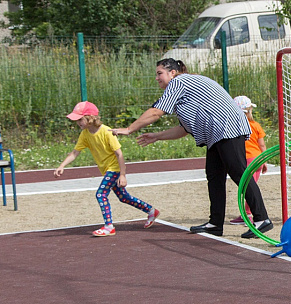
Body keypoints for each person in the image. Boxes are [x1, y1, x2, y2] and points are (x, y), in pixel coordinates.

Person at [112, 59, 272, 239]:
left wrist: (129, 129)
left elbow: (156, 112)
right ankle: (215, 224)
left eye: (159, 73)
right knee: (214, 176)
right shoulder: (184, 94)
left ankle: (261, 219)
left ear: (172, 72)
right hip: (216, 133)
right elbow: (183, 129)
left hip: (227, 127)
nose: (156, 78)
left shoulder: (178, 82)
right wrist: (156, 136)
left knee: (239, 173)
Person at [54, 101, 159, 237]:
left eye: (80, 119)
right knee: (123, 197)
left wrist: (123, 175)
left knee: (101, 194)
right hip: (107, 169)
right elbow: (75, 152)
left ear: (90, 118)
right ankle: (151, 211)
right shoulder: (85, 134)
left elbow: (119, 154)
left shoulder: (107, 132)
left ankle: (109, 226)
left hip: (114, 168)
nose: (78, 122)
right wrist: (62, 166)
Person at [230, 95, 266, 225]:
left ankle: (248, 214)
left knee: (247, 188)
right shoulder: (255, 125)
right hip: (257, 159)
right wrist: (264, 160)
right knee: (251, 187)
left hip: (247, 160)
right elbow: (261, 145)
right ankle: (246, 214)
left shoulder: (236, 127)